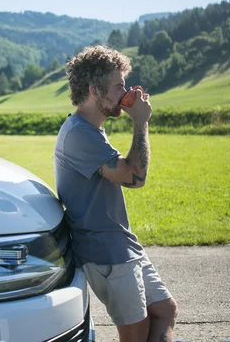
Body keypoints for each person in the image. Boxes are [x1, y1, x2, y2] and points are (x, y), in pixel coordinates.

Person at [54, 45, 178, 342]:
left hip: (122, 245)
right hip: (107, 254)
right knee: (136, 334)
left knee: (165, 310)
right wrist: (140, 122)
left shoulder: (92, 129)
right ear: (96, 91)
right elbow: (135, 177)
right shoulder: (80, 134)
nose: (128, 91)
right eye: (119, 85)